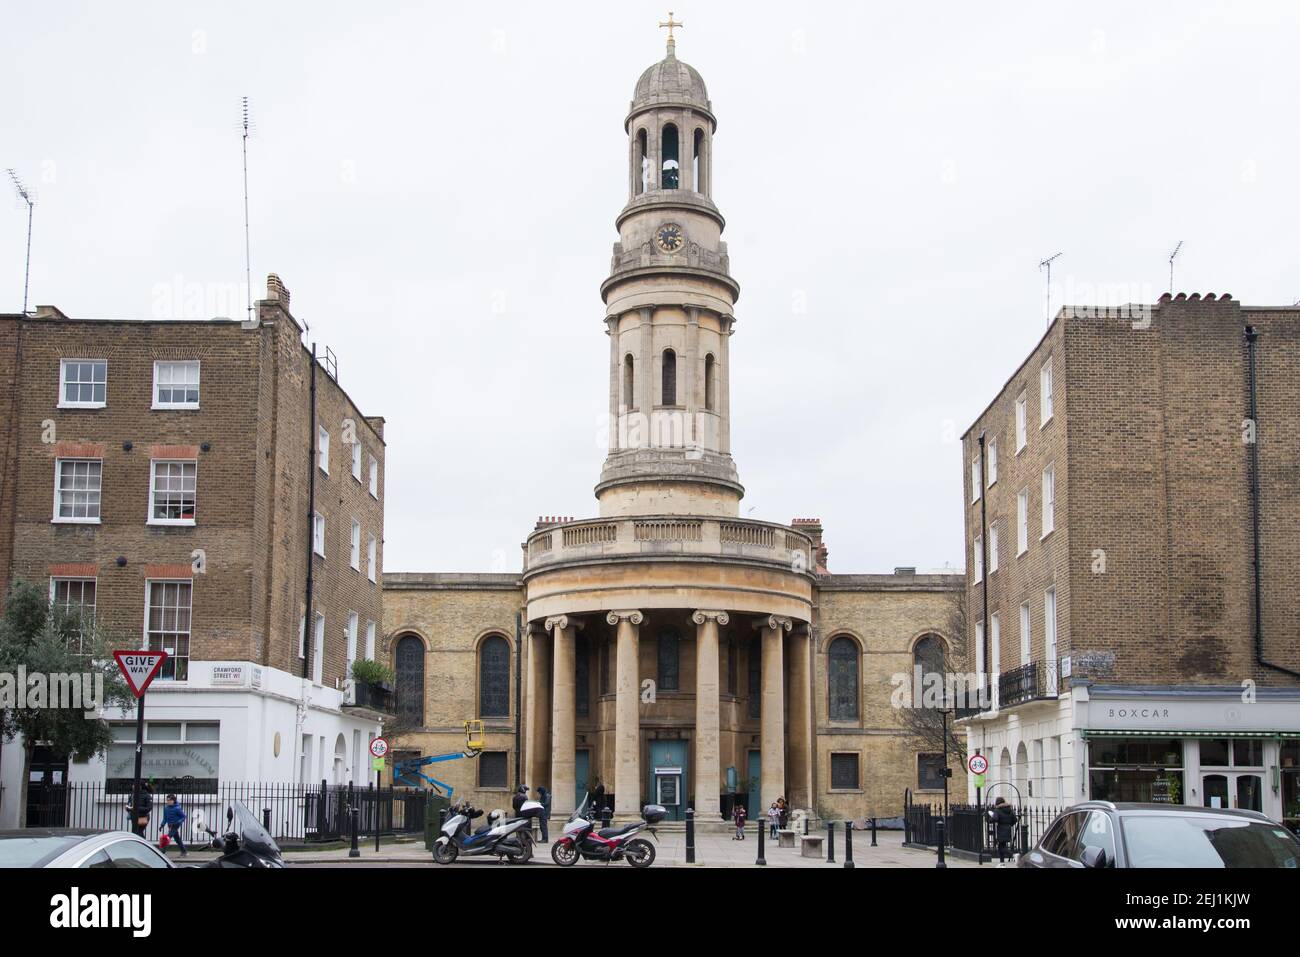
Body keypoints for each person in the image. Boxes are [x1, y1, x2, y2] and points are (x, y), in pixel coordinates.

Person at [989, 797, 1018, 866]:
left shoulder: (997, 810)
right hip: (1008, 829)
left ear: (997, 803)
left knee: (1002, 847)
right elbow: (1015, 820)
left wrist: (991, 817)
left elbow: (995, 818)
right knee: (1001, 846)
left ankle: (1013, 855)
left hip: (1001, 829)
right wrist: (1010, 825)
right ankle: (1002, 863)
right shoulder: (1009, 809)